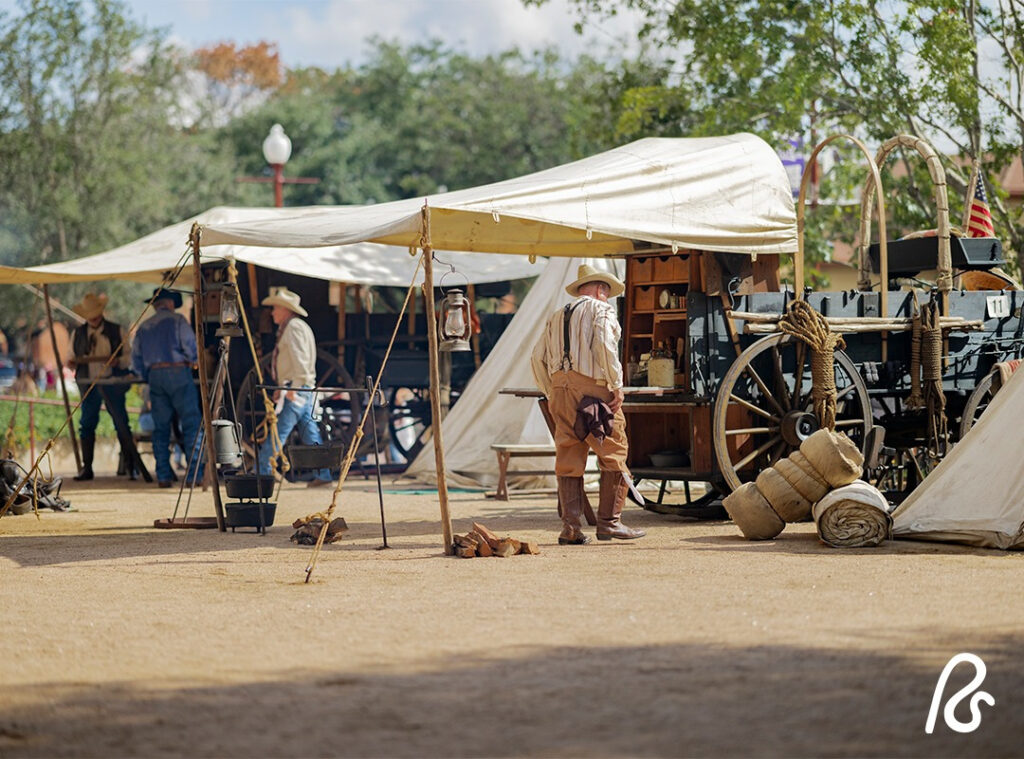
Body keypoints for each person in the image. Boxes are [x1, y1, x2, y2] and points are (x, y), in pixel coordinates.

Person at [530, 264, 645, 544]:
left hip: (560, 388)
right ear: (600, 290)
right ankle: (609, 524)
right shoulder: (601, 309)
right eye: (606, 292)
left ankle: (571, 528)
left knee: (568, 452)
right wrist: (615, 383)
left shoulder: (556, 316)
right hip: (593, 388)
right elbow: (605, 345)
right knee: (614, 448)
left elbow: (536, 357)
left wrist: (552, 389)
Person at [257, 287, 332, 486]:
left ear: (284, 309)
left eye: (275, 308)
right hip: (299, 387)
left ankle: (263, 471)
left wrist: (293, 388)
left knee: (280, 429)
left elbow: (300, 361)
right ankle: (323, 475)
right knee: (310, 432)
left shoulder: (293, 328)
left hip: (297, 388)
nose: (272, 312)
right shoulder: (296, 326)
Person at [131, 288, 203, 488]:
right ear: (170, 303)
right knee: (191, 423)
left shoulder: (144, 327)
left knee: (160, 428)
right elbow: (191, 348)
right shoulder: (178, 321)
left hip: (155, 375)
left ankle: (163, 475)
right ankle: (194, 475)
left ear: (155, 304)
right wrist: (194, 362)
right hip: (178, 373)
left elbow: (136, 360)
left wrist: (148, 375)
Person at [69, 293, 133, 481]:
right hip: (88, 385)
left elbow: (128, 357)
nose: (94, 317)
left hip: (113, 384)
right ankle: (86, 468)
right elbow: (70, 358)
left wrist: (118, 362)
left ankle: (131, 467)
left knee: (121, 423)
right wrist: (73, 362)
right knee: (86, 424)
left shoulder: (117, 331)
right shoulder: (78, 334)